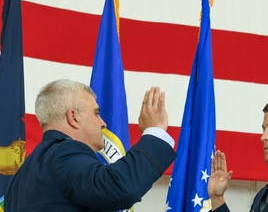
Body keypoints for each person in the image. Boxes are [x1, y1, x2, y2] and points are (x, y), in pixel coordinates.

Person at [5, 79, 177, 212]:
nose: (103, 123)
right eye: (96, 113)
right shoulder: (64, 152)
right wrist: (155, 132)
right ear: (74, 117)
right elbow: (118, 187)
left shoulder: (21, 176)